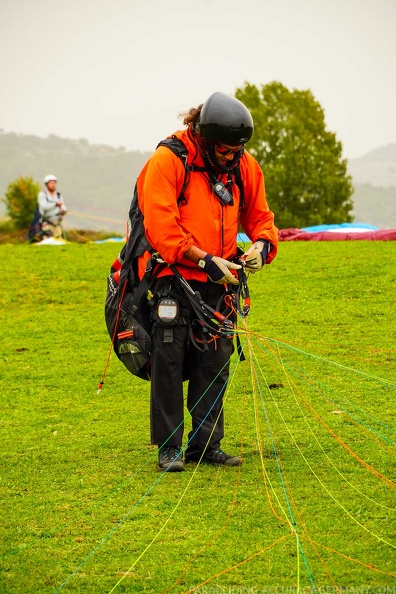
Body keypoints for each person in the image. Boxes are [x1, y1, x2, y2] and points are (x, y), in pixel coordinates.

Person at [136, 92, 278, 472]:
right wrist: (203, 258)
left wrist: (263, 246)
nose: (232, 157)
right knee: (168, 360)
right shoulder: (168, 161)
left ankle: (205, 445)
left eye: (237, 151)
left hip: (221, 281)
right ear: (202, 135)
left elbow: (262, 218)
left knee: (214, 361)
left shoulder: (242, 165)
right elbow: (161, 228)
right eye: (226, 150)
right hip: (174, 276)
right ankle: (169, 447)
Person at [30, 174, 68, 240]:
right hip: (45, 225)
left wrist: (64, 211)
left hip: (57, 224)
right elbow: (44, 206)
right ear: (46, 184)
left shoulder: (58, 195)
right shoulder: (42, 195)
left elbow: (63, 207)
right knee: (47, 241)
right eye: (51, 183)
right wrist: (55, 204)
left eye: (54, 183)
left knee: (59, 241)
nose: (53, 185)